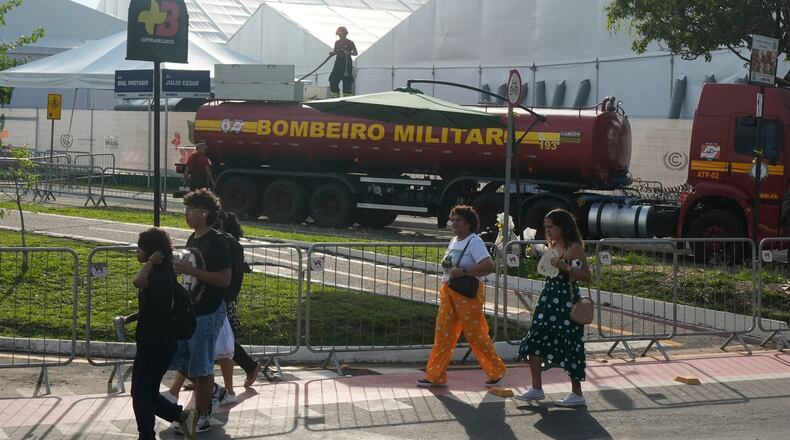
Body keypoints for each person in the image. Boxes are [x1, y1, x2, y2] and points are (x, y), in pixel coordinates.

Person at [417, 205, 507, 388]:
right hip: (448, 291)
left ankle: (496, 370)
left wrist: (464, 271)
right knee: (443, 335)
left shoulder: (474, 242)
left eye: (458, 220)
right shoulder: (453, 241)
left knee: (475, 334)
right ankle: (435, 375)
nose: (454, 223)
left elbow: (488, 266)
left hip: (467, 295)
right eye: (453, 220)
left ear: (468, 223)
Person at [169, 189, 231, 434]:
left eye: (189, 210)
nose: (185, 214)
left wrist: (192, 272)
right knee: (183, 359)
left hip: (209, 310)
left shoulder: (217, 241)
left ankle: (202, 415)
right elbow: (190, 269)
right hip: (192, 310)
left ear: (203, 213)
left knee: (201, 365)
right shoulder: (193, 238)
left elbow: (225, 279)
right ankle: (214, 392)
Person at [516, 208, 591, 407]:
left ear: (563, 227)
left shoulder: (573, 248)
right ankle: (536, 388)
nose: (547, 230)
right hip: (549, 299)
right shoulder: (552, 245)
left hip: (566, 301)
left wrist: (565, 267)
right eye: (546, 227)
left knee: (570, 343)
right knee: (535, 339)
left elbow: (587, 276)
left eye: (551, 227)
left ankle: (577, 393)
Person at [130, 228, 198, 439]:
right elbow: (155, 305)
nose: (137, 252)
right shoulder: (160, 274)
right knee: (146, 392)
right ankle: (183, 417)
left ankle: (147, 435)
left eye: (141, 248)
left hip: (158, 342)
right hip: (154, 340)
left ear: (152, 252)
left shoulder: (161, 275)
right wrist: (131, 318)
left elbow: (138, 281)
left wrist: (150, 262)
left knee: (140, 392)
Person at [328, 26, 357, 98]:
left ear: (345, 34)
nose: (340, 36)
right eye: (339, 35)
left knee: (347, 85)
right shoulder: (337, 42)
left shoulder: (350, 42)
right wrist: (332, 53)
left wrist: (349, 53)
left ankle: (346, 100)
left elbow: (355, 53)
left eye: (341, 34)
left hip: (347, 66)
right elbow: (335, 51)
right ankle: (335, 98)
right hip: (338, 65)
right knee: (333, 82)